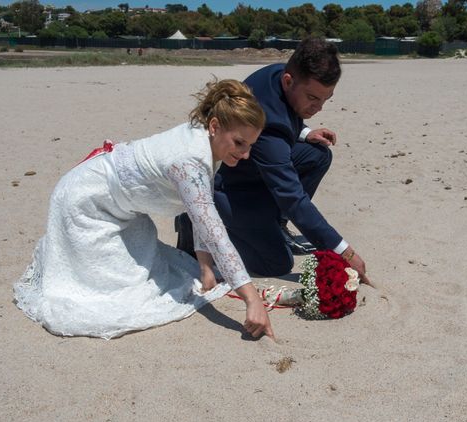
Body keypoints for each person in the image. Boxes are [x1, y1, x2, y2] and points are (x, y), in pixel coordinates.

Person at [14, 79, 275, 340]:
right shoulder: (189, 160)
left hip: (122, 208)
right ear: (215, 126)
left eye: (250, 145)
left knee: (152, 269)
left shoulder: (206, 141)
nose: (245, 155)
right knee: (118, 291)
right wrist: (251, 299)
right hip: (85, 199)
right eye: (240, 143)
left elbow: (199, 210)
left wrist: (205, 266)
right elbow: (212, 228)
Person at [177, 38, 370, 284]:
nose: (319, 107)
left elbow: (287, 114)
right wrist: (344, 251)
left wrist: (304, 132)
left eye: (325, 99)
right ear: (288, 81)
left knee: (317, 154)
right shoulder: (269, 127)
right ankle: (194, 223)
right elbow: (292, 197)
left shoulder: (280, 74)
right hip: (228, 189)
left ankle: (274, 224)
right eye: (313, 97)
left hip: (253, 170)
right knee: (277, 262)